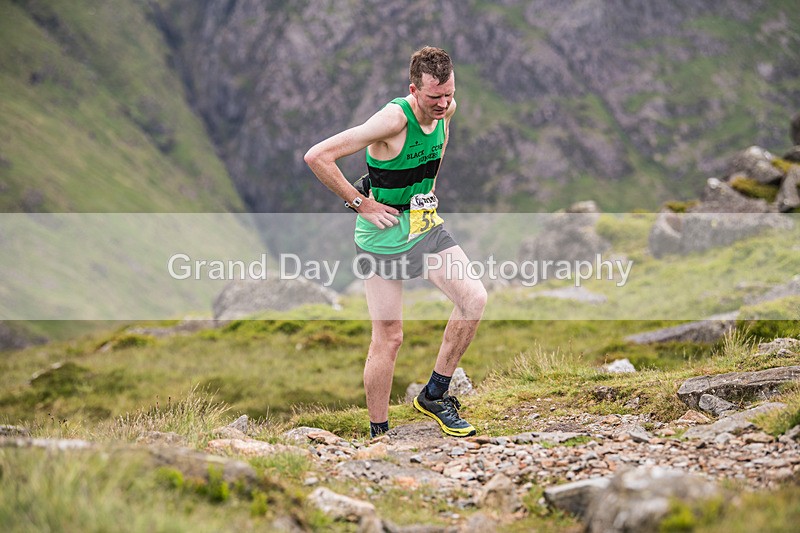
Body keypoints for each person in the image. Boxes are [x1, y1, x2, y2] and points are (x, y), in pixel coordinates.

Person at [304, 46, 487, 438]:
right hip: (382, 236)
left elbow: (437, 147)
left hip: (423, 225)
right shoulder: (391, 120)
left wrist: (427, 189)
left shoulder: (447, 111)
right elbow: (318, 156)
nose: (443, 104)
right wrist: (361, 203)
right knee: (389, 338)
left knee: (474, 299)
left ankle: (435, 395)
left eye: (449, 94)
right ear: (413, 89)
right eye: (434, 96)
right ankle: (379, 432)